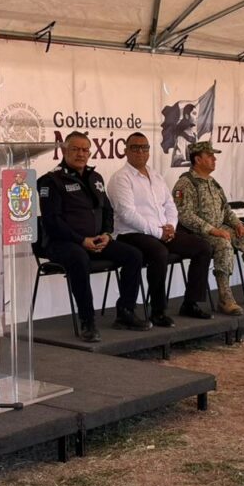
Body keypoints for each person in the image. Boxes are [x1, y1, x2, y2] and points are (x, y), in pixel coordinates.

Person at [38, 132, 149, 343]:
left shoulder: (95, 177)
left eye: (85, 150)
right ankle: (87, 321)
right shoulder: (50, 181)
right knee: (79, 258)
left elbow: (107, 210)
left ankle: (125, 312)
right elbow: (52, 222)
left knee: (134, 255)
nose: (81, 154)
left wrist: (106, 234)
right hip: (62, 243)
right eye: (75, 149)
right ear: (64, 151)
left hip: (95, 240)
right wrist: (81, 240)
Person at [108, 132, 212, 324]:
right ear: (125, 151)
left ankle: (190, 303)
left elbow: (170, 205)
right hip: (131, 233)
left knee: (202, 247)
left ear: (149, 151)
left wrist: (171, 226)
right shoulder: (120, 178)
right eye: (135, 148)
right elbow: (127, 214)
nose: (140, 151)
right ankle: (158, 311)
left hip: (162, 231)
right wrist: (159, 233)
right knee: (159, 252)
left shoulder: (155, 175)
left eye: (144, 147)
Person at [173, 141, 244, 314]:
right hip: (198, 233)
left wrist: (238, 224)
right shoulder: (186, 183)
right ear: (198, 159)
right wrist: (212, 230)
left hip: (220, 228)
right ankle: (225, 298)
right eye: (210, 156)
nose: (214, 159)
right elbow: (184, 215)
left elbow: (226, 210)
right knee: (223, 244)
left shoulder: (213, 182)